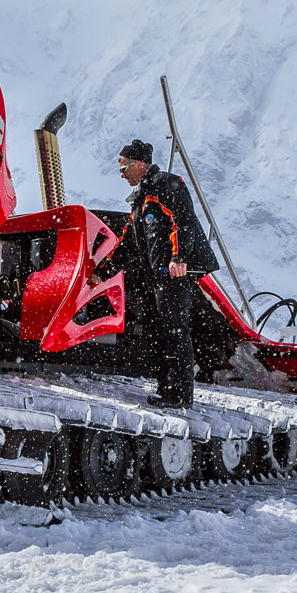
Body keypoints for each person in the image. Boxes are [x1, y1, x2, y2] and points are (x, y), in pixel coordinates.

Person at [113, 139, 219, 408]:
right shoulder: (140, 200)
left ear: (139, 164)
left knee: (174, 330)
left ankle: (180, 394)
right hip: (156, 277)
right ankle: (165, 386)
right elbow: (128, 242)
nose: (121, 174)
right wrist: (102, 272)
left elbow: (183, 220)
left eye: (124, 167)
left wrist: (179, 257)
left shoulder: (165, 185)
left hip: (174, 273)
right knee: (155, 330)